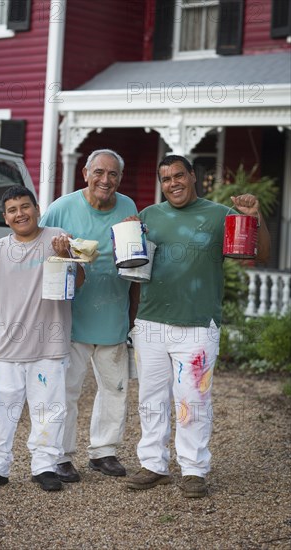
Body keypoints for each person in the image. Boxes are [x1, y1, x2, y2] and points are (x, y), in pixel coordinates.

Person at [126, 154, 271, 498]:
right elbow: (134, 270)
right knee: (151, 399)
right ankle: (153, 465)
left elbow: (260, 254)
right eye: (165, 178)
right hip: (150, 324)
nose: (172, 183)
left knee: (193, 399)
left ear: (193, 176)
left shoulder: (220, 215)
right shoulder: (149, 216)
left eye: (179, 175)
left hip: (198, 326)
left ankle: (193, 470)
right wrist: (132, 320)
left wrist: (255, 218)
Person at [0, 185, 84, 492]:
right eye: (12, 210)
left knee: (49, 410)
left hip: (49, 345)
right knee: (3, 409)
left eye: (25, 206)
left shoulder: (58, 238)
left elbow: (78, 284)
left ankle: (45, 466)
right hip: (7, 347)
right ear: (5, 218)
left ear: (37, 209)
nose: (20, 213)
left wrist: (66, 256)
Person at [39, 149, 139, 481]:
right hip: (70, 318)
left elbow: (135, 260)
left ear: (120, 179)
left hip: (113, 314)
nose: (105, 180)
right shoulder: (61, 207)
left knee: (115, 389)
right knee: (66, 390)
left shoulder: (128, 207)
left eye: (112, 174)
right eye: (99, 172)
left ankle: (104, 452)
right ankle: (62, 455)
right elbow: (36, 251)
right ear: (85, 173)